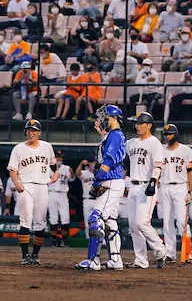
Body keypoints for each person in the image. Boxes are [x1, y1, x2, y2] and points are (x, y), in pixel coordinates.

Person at [77, 105, 127, 271]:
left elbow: (109, 160)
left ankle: (94, 260)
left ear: (112, 118)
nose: (101, 120)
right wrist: (103, 134)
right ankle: (115, 260)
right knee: (110, 222)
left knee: (95, 219)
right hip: (114, 181)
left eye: (105, 117)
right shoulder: (113, 135)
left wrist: (98, 179)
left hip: (110, 181)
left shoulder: (115, 135)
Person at [8, 119, 59, 265]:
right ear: (26, 132)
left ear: (39, 132)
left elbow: (53, 164)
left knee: (40, 221)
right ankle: (25, 256)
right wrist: (16, 182)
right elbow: (12, 169)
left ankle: (35, 255)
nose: (32, 133)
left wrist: (55, 174)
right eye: (29, 130)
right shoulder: (18, 148)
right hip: (26, 186)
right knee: (25, 220)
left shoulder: (47, 146)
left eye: (35, 130)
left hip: (42, 186)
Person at [125, 112, 167, 269]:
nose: (138, 125)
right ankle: (141, 260)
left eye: (141, 123)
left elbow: (158, 164)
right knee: (133, 226)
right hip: (133, 185)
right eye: (137, 123)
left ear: (149, 125)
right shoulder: (131, 143)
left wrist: (154, 181)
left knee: (142, 222)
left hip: (146, 185)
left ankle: (160, 249)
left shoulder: (154, 142)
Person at [156, 123, 192, 263]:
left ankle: (188, 253)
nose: (167, 136)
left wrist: (190, 191)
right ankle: (170, 253)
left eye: (170, 134)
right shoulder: (160, 150)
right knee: (167, 222)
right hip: (165, 187)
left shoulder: (186, 150)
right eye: (166, 134)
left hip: (180, 187)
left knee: (181, 221)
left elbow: (191, 171)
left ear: (176, 134)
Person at [47, 150, 74, 246]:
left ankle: (65, 240)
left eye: (60, 157)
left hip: (62, 194)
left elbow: (72, 179)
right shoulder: (47, 168)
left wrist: (72, 173)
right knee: (53, 218)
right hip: (51, 193)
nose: (59, 159)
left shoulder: (66, 168)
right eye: (57, 157)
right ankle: (54, 240)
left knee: (65, 218)